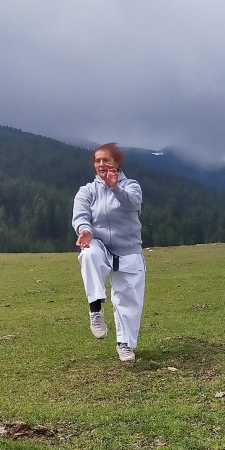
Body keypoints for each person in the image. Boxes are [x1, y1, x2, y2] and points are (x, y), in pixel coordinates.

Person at [72, 142, 145, 362]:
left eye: (106, 160)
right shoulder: (87, 191)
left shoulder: (131, 186)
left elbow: (133, 204)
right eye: (98, 160)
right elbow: (81, 215)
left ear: (117, 163)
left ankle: (125, 345)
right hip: (100, 244)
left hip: (128, 249)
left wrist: (115, 188)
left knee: (128, 299)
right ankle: (95, 309)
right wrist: (85, 231)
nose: (102, 164)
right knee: (88, 253)